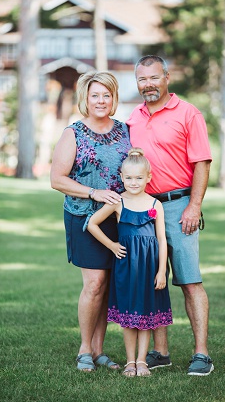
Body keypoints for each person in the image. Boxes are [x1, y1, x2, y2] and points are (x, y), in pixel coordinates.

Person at [127, 55, 214, 376]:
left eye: (153, 78)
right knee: (153, 282)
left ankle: (202, 353)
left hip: (179, 206)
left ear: (166, 77)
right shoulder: (132, 117)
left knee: (189, 280)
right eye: (141, 79)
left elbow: (202, 162)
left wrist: (194, 205)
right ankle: (160, 352)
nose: (147, 85)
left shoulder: (189, 113)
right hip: (144, 208)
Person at [50, 71, 132, 372]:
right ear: (86, 98)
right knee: (95, 283)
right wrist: (94, 192)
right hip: (83, 217)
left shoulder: (125, 131)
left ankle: (99, 351)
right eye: (95, 95)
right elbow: (57, 179)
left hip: (119, 219)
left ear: (114, 98)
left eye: (107, 95)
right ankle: (84, 349)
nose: (101, 100)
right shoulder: (73, 133)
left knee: (109, 285)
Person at [88, 148, 173, 378]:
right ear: (121, 177)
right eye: (128, 178)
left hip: (149, 268)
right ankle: (130, 362)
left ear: (148, 177)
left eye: (138, 178)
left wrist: (162, 271)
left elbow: (162, 240)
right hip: (127, 268)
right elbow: (92, 224)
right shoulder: (118, 202)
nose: (133, 182)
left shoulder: (155, 204)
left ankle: (142, 361)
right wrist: (112, 245)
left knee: (146, 315)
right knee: (129, 316)